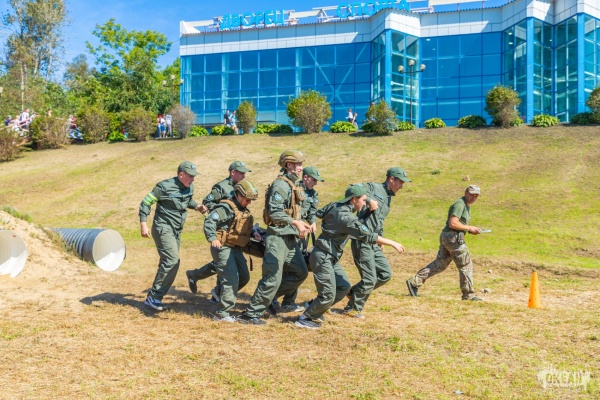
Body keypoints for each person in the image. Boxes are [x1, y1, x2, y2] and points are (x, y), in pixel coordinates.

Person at [295, 184, 406, 329]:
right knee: (328, 294)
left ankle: (316, 308)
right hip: (323, 256)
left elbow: (320, 212)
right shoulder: (346, 217)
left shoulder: (336, 205)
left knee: (344, 287)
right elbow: (367, 235)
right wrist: (391, 242)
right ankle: (305, 318)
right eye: (364, 200)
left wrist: (313, 223)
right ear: (354, 199)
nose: (365, 203)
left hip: (330, 256)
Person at [237, 150, 312, 325]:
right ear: (289, 165)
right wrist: (295, 223)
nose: (301, 168)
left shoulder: (292, 184)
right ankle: (250, 314)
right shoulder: (281, 185)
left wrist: (302, 223)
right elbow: (275, 213)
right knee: (272, 278)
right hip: (277, 238)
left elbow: (292, 211)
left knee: (300, 272)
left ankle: (269, 298)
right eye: (298, 164)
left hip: (289, 238)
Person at [343, 167, 411, 319]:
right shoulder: (373, 187)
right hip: (362, 240)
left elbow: (379, 221)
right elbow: (351, 188)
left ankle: (353, 292)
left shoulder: (388, 197)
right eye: (400, 182)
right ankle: (352, 308)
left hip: (374, 241)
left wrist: (381, 239)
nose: (401, 186)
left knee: (385, 274)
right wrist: (368, 200)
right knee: (369, 279)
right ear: (391, 179)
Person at [139, 161, 203, 311]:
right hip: (163, 228)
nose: (193, 179)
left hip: (177, 230)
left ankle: (153, 297)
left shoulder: (189, 187)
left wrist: (197, 206)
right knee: (172, 260)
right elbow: (146, 203)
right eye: (190, 176)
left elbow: (186, 200)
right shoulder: (164, 187)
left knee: (170, 262)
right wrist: (143, 224)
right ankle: (154, 297)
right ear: (181, 174)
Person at [186, 160, 252, 300]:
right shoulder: (221, 187)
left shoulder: (243, 188)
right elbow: (207, 202)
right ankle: (218, 295)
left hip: (235, 234)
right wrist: (220, 215)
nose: (244, 176)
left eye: (244, 173)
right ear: (232, 172)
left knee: (224, 265)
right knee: (225, 265)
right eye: (241, 173)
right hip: (222, 232)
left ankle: (200, 279)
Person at [406, 185, 483, 301]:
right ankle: (468, 295)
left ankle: (415, 282)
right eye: (471, 194)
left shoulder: (464, 205)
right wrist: (469, 228)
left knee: (440, 263)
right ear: (466, 192)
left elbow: (457, 224)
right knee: (465, 265)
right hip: (453, 238)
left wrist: (469, 230)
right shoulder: (460, 204)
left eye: (476, 196)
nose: (473, 198)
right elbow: (453, 223)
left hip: (448, 236)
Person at [204, 180, 261, 322]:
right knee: (231, 279)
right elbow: (210, 221)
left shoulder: (242, 209)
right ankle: (222, 313)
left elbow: (239, 226)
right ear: (238, 195)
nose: (249, 202)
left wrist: (253, 233)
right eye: (247, 199)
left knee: (244, 277)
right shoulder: (225, 208)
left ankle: (218, 292)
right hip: (222, 247)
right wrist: (213, 238)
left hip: (235, 248)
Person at [269, 165, 323, 314]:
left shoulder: (313, 193)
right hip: (290, 231)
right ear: (306, 177)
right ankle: (272, 297)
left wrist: (313, 222)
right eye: (314, 180)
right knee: (289, 269)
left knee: (297, 269)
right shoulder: (294, 189)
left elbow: (312, 212)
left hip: (301, 233)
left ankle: (288, 302)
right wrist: (298, 226)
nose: (315, 183)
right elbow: (289, 213)